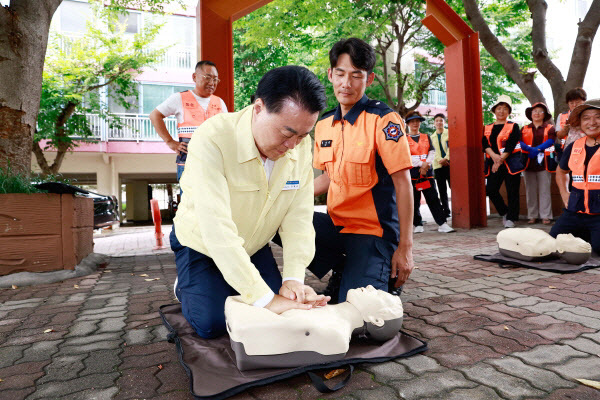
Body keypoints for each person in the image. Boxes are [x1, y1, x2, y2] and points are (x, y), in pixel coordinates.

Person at [169, 66, 329, 339]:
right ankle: (185, 286)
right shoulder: (214, 138)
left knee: (274, 310)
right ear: (258, 108)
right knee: (213, 323)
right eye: (287, 132)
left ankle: (235, 282)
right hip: (202, 242)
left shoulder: (301, 146)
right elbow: (216, 228)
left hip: (252, 245)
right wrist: (265, 299)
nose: (293, 145)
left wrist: (293, 279)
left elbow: (298, 219)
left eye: (303, 135)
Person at [311, 38, 415, 303]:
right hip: (337, 226)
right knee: (278, 216)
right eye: (341, 74)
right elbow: (327, 177)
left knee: (359, 315)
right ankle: (346, 268)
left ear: (369, 80)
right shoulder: (323, 124)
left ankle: (376, 273)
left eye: (357, 75)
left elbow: (403, 184)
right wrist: (280, 200)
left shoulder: (383, 120)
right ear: (330, 75)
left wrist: (405, 248)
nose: (347, 83)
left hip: (372, 232)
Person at [149, 61, 228, 182]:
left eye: (215, 79)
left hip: (215, 166)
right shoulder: (179, 98)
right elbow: (155, 115)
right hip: (188, 165)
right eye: (208, 77)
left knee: (214, 200)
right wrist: (170, 141)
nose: (212, 83)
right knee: (189, 201)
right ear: (194, 77)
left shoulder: (220, 102)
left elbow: (226, 132)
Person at [551, 99, 600, 254]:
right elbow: (561, 171)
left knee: (597, 250)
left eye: (598, 117)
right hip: (575, 211)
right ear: (580, 123)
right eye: (586, 118)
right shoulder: (574, 146)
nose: (592, 122)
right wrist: (565, 194)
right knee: (553, 243)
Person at [405, 111, 455, 234]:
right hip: (413, 175)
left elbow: (432, 152)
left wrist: (426, 164)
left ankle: (442, 224)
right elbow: (406, 155)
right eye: (412, 121)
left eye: (417, 121)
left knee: (433, 198)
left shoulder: (426, 137)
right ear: (408, 123)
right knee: (414, 201)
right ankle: (417, 224)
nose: (415, 123)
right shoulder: (404, 139)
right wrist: (421, 164)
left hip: (427, 174)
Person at [482, 95, 523, 228]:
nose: (501, 111)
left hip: (511, 162)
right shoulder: (487, 127)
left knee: (512, 191)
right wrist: (494, 157)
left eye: (505, 109)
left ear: (508, 112)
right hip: (494, 162)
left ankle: (512, 218)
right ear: (494, 110)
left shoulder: (513, 126)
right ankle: (505, 212)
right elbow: (484, 144)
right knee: (491, 189)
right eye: (499, 108)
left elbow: (511, 144)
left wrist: (499, 160)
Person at [519, 102, 556, 225]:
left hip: (544, 162)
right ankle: (532, 215)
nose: (537, 113)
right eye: (534, 111)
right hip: (528, 161)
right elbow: (519, 142)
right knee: (530, 190)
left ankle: (546, 215)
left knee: (545, 189)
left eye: (540, 111)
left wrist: (537, 149)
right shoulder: (524, 128)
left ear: (544, 115)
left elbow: (551, 140)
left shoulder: (549, 127)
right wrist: (530, 150)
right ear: (530, 114)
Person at [556, 87, 587, 157]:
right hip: (569, 149)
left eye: (577, 102)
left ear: (584, 101)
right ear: (568, 103)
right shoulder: (562, 116)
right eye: (571, 103)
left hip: (587, 147)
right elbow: (559, 136)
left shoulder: (590, 114)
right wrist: (565, 129)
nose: (574, 105)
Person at [431, 113, 451, 218]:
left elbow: (451, 147)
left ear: (444, 122)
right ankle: (446, 211)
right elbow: (433, 152)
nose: (439, 122)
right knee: (442, 190)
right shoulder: (432, 137)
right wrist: (440, 160)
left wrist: (446, 158)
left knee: (454, 187)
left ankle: (457, 208)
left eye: (441, 120)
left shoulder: (449, 133)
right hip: (438, 166)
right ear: (434, 123)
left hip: (450, 164)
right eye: (437, 121)